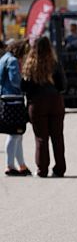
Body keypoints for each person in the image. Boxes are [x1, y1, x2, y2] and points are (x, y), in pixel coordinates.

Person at [21, 36, 67, 178]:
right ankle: (59, 169)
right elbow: (63, 86)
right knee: (57, 137)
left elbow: (23, 86)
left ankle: (42, 170)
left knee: (41, 138)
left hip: (37, 103)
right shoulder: (55, 63)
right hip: (55, 101)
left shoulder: (30, 64)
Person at [1, 40, 32, 176]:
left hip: (5, 98)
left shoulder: (4, 58)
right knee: (15, 133)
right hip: (13, 99)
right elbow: (14, 80)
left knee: (17, 134)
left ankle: (22, 165)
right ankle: (10, 165)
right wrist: (24, 84)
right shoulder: (12, 61)